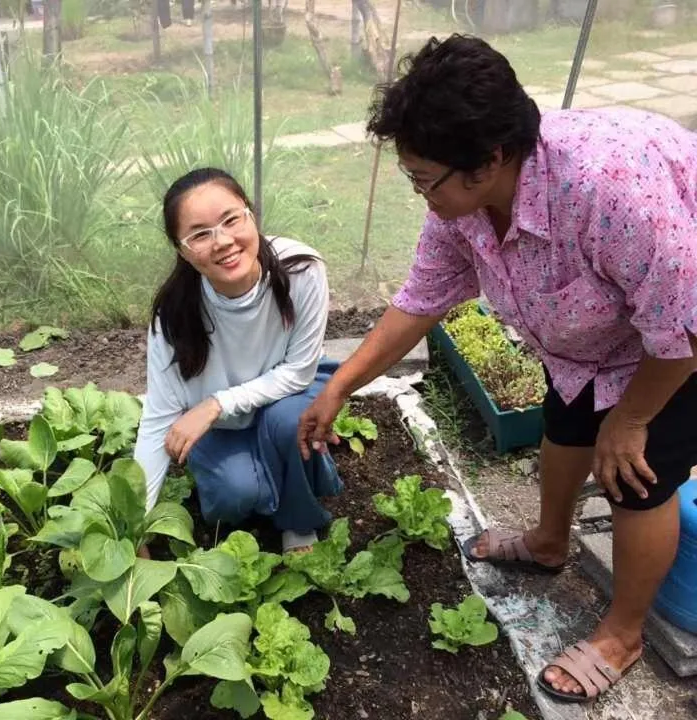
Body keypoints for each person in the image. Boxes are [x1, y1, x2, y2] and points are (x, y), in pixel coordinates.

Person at [298, 34, 697, 703]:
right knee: (569, 421)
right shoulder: (465, 207)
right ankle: (548, 543)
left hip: (680, 336)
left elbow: (683, 328)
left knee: (638, 475)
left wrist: (631, 419)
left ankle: (622, 634)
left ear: (488, 160)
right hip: (600, 331)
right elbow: (420, 303)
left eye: (425, 177)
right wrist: (338, 383)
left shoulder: (610, 192)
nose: (420, 191)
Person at [134, 167, 343, 553]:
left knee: (288, 422)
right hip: (223, 425)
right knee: (235, 495)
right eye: (200, 234)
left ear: (251, 215)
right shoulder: (174, 314)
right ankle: (275, 468)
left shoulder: (300, 270)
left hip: (288, 394)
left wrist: (216, 404)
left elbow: (298, 372)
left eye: (231, 220)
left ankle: (298, 519)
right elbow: (159, 416)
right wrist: (137, 522)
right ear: (182, 250)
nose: (223, 241)